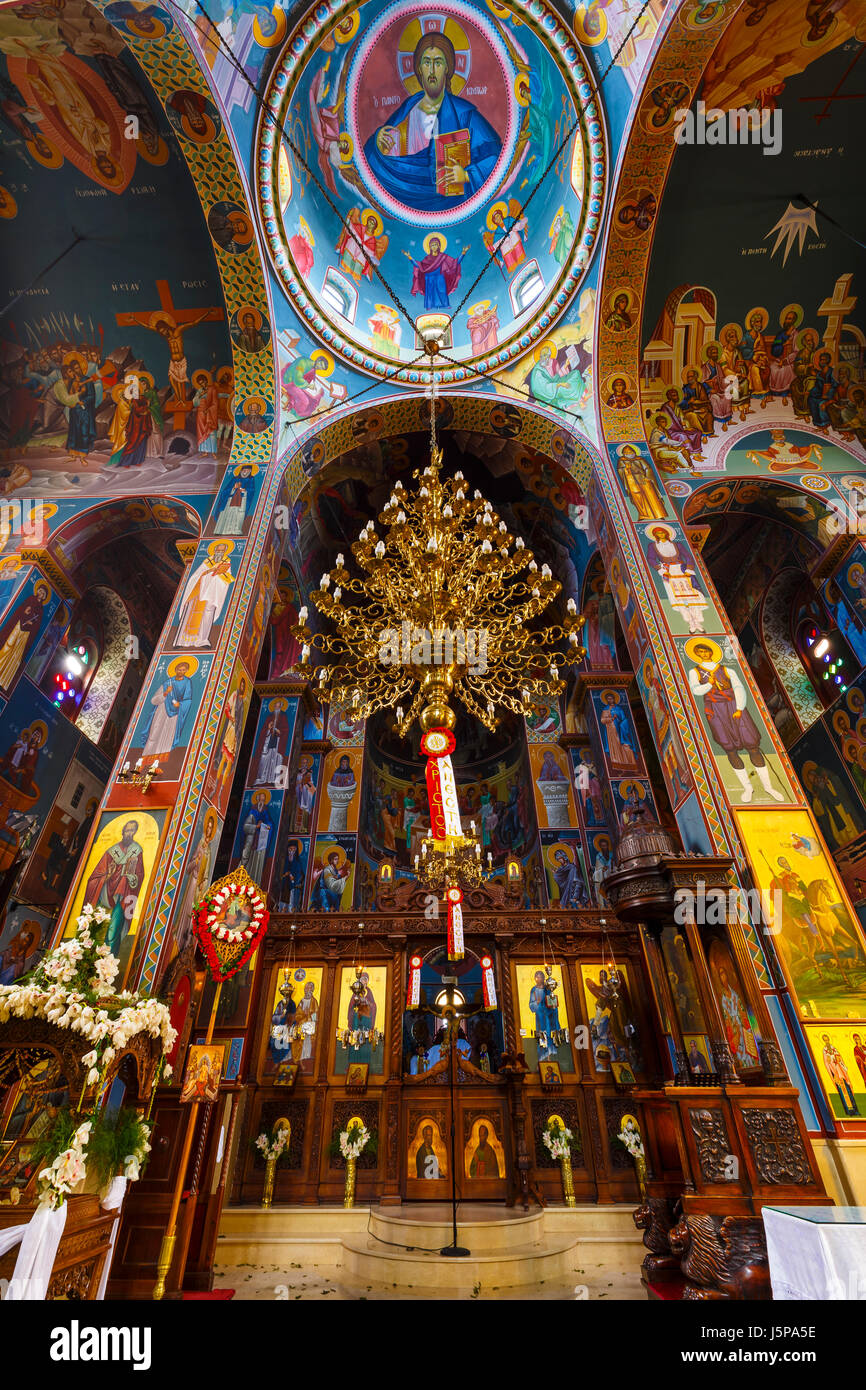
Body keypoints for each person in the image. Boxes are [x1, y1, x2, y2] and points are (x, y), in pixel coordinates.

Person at [363, 31, 501, 211]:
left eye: (438, 62)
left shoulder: (463, 113)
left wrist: (466, 176)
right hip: (403, 196)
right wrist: (378, 141)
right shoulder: (408, 108)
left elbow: (495, 155)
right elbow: (377, 156)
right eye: (427, 62)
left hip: (447, 202)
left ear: (447, 69)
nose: (432, 70)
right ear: (419, 69)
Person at [687, 641, 784, 803]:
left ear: (711, 652)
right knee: (729, 749)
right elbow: (695, 689)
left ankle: (768, 787)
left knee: (752, 745)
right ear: (697, 655)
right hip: (716, 711)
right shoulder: (695, 672)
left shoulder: (726, 669)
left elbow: (738, 687)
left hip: (734, 707)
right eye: (701, 653)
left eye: (706, 652)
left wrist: (739, 708)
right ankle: (747, 787)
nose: (704, 655)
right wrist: (709, 684)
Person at [83, 819, 145, 956]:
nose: (129, 833)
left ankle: (109, 959)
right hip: (105, 893)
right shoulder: (112, 851)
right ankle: (89, 956)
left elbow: (140, 875)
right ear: (123, 831)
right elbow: (94, 877)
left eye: (132, 830)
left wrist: (131, 876)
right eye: (127, 830)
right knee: (95, 927)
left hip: (124, 895)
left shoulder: (137, 851)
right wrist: (107, 876)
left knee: (113, 931)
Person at [176, 542, 234, 648]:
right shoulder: (207, 561)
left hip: (212, 594)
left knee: (207, 613)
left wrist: (218, 575)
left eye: (222, 551)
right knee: (190, 613)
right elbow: (196, 575)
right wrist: (209, 572)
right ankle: (182, 641)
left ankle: (202, 640)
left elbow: (227, 579)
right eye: (218, 550)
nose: (219, 553)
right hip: (198, 592)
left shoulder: (227, 562)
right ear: (215, 550)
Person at [140, 660, 193, 760]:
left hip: (174, 713)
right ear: (175, 669)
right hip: (162, 710)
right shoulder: (167, 683)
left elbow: (188, 699)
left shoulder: (187, 682)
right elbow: (153, 700)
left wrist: (180, 704)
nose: (181, 672)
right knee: (154, 732)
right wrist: (165, 693)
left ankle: (159, 761)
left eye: (183, 670)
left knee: (168, 735)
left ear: (186, 671)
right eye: (179, 669)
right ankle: (145, 759)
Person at [406, 236, 468, 310]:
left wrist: (463, 253)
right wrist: (410, 258)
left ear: (438, 246)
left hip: (439, 277)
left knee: (442, 291)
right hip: (429, 278)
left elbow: (454, 263)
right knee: (430, 293)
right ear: (430, 247)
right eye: (432, 245)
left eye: (435, 244)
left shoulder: (443, 256)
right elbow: (419, 266)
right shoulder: (427, 258)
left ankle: (445, 305)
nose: (434, 246)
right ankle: (429, 305)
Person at [821, 1034, 858, 1116]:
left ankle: (855, 1109)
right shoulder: (825, 1050)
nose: (827, 1041)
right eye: (825, 1040)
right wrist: (831, 1061)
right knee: (842, 1092)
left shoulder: (834, 1048)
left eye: (827, 1040)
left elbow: (839, 1057)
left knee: (848, 1090)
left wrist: (838, 1059)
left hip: (841, 1071)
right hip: (835, 1073)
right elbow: (827, 1063)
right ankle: (849, 1111)